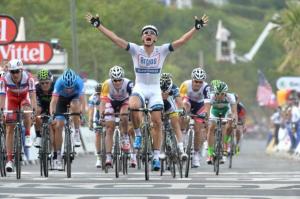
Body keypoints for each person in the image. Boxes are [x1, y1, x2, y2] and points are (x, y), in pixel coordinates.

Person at [86, 12, 208, 171]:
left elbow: (182, 41)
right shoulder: (135, 50)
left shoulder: (162, 50)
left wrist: (196, 28)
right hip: (140, 88)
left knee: (157, 122)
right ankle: (137, 134)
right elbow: (115, 39)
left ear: (155, 38)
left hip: (155, 90)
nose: (148, 35)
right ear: (142, 38)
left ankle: (156, 156)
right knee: (133, 105)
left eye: (152, 33)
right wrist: (98, 25)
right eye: (145, 33)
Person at [0, 59, 37, 172]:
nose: (15, 74)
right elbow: (2, 96)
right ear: (9, 72)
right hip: (12, 100)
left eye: (17, 71)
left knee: (27, 111)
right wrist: (1, 111)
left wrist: (34, 111)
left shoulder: (28, 78)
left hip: (23, 98)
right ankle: (9, 160)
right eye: (12, 72)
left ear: (21, 70)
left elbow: (32, 96)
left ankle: (27, 135)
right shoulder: (4, 79)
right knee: (9, 127)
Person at [49, 68, 85, 170]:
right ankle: (59, 157)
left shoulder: (79, 82)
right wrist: (53, 114)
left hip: (75, 98)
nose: (69, 89)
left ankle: (77, 132)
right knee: (59, 125)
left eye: (71, 87)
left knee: (75, 106)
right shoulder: (59, 83)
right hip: (62, 100)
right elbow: (53, 102)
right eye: (66, 87)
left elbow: (83, 101)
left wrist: (81, 112)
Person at [99, 66, 133, 167]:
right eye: (115, 80)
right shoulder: (106, 84)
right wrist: (102, 114)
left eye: (119, 80)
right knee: (109, 128)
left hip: (125, 101)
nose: (117, 82)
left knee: (124, 115)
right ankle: (108, 157)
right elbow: (103, 101)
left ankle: (125, 136)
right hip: (111, 102)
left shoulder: (129, 83)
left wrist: (131, 112)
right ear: (111, 79)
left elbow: (133, 99)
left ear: (122, 79)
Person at [179, 67, 210, 167]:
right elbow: (181, 101)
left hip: (200, 105)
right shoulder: (185, 85)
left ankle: (196, 154)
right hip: (187, 102)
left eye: (200, 82)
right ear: (192, 80)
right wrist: (183, 112)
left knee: (198, 129)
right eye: (196, 81)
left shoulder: (206, 87)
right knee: (185, 109)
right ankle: (182, 134)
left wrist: (206, 115)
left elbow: (207, 104)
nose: (198, 84)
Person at [206, 80, 237, 164]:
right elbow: (207, 110)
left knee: (228, 124)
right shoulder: (211, 96)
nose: (220, 96)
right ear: (214, 93)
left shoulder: (230, 97)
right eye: (217, 94)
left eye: (222, 94)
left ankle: (225, 145)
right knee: (211, 127)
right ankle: (210, 153)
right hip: (214, 111)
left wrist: (234, 121)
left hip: (226, 111)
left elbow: (234, 112)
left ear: (225, 93)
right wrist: (207, 119)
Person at [160, 73, 187, 160]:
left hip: (170, 106)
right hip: (159, 106)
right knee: (159, 127)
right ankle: (161, 150)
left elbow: (179, 101)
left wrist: (182, 110)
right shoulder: (155, 86)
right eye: (162, 92)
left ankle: (181, 150)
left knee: (176, 125)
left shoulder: (174, 88)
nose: (164, 94)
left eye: (166, 92)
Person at [33, 69, 56, 148]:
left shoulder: (55, 87)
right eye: (42, 83)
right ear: (39, 83)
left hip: (52, 107)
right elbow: (34, 102)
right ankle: (38, 136)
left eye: (47, 82)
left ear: (51, 81)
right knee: (37, 111)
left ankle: (54, 152)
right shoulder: (36, 88)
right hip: (41, 107)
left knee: (53, 127)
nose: (45, 85)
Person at [88, 83, 102, 168]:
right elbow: (91, 110)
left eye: (100, 93)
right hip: (98, 115)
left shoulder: (108, 95)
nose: (99, 95)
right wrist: (90, 121)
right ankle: (99, 157)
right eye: (98, 93)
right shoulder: (93, 97)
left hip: (108, 113)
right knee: (97, 134)